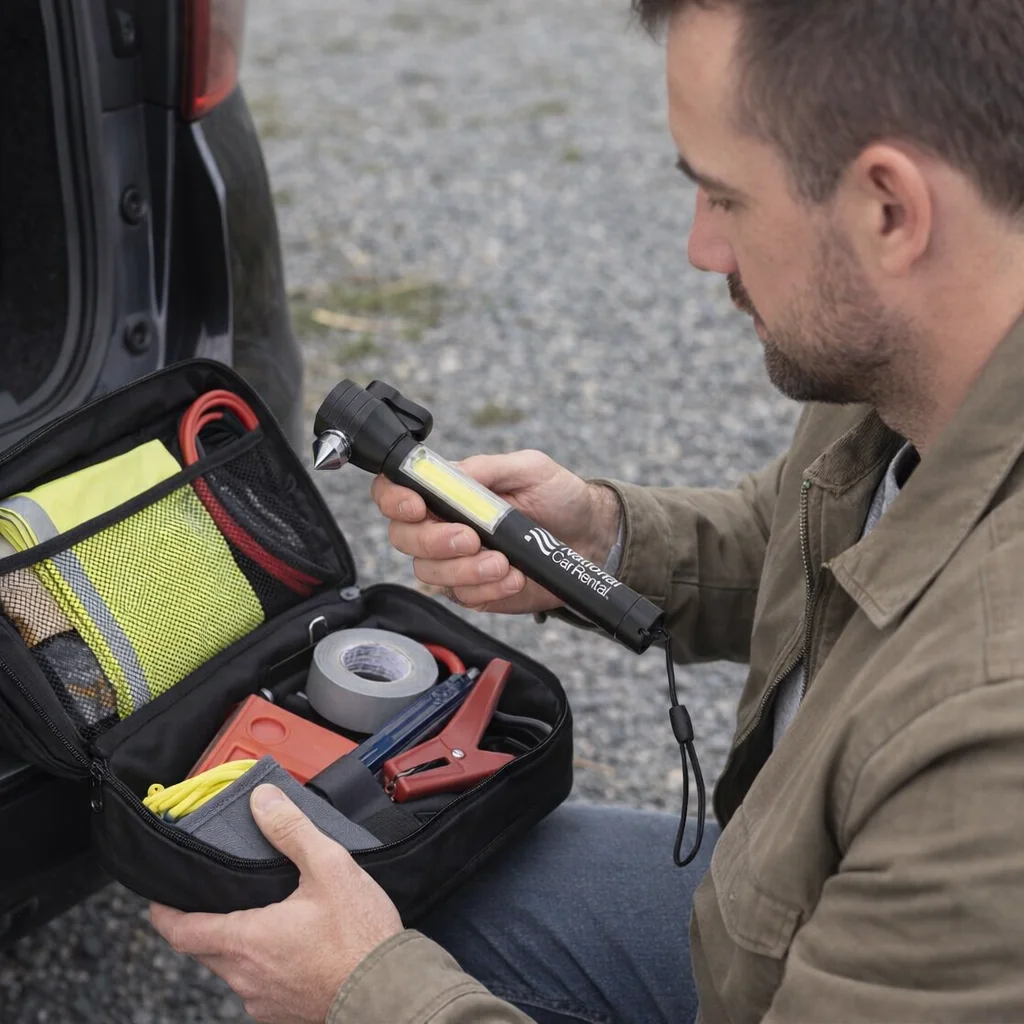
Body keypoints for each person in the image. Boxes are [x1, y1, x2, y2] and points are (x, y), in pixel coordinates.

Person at [149, 0, 1024, 1021]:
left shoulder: (986, 752)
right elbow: (839, 537)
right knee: (433, 879)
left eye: (723, 198)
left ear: (889, 210)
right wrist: (605, 538)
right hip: (787, 913)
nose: (703, 250)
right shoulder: (920, 375)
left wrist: (367, 993)